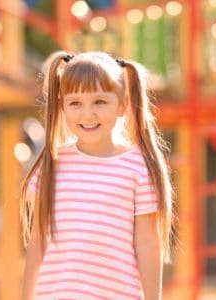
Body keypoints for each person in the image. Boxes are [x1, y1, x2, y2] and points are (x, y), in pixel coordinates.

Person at [20, 51, 174, 300]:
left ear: (122, 104)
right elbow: (37, 241)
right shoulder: (52, 165)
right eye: (75, 103)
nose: (87, 114)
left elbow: (147, 242)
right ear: (62, 107)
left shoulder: (137, 168)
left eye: (100, 102)